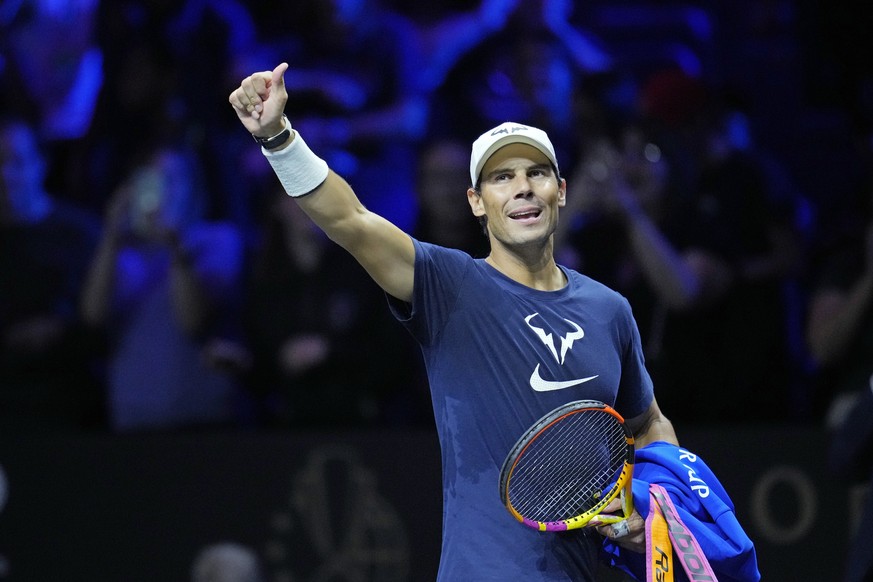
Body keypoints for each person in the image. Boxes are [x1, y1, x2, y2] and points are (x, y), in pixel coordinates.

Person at [229, 63, 759, 581]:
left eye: (537, 173)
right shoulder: (448, 285)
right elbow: (351, 221)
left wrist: (644, 503)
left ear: (562, 191)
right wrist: (278, 136)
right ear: (477, 203)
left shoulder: (609, 309)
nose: (522, 188)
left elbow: (648, 424)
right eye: (502, 178)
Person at [80, 141, 250, 432]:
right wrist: (110, 234)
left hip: (203, 415)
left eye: (172, 180)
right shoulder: (122, 254)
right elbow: (92, 316)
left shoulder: (215, 240)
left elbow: (192, 320)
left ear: (191, 187)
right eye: (151, 181)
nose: (163, 192)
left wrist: (174, 246)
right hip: (132, 416)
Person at [0, 117, 104, 432]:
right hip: (8, 411)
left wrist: (59, 328)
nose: (6, 175)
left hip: (73, 406)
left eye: (16, 162)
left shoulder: (81, 234)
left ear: (40, 164)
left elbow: (102, 318)